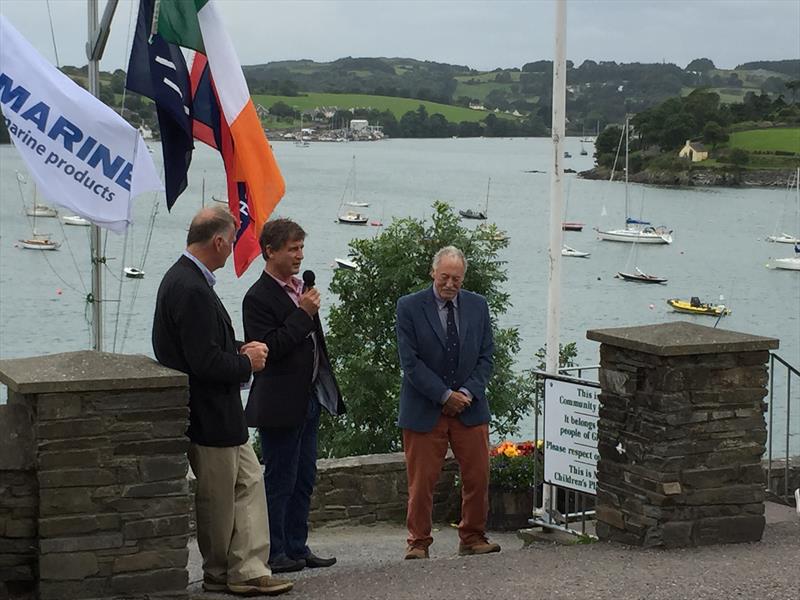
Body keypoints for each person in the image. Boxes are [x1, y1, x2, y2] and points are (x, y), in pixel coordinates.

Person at [152, 206, 292, 597]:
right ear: (217, 241)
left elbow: (204, 348)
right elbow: (203, 361)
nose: (232, 250)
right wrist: (247, 361)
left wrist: (239, 349)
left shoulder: (184, 280)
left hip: (217, 411)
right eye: (231, 243)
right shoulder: (192, 288)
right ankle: (225, 571)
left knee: (247, 482)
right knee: (221, 495)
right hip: (209, 411)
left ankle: (243, 567)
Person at [243, 218, 345, 573]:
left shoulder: (301, 289)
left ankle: (298, 546)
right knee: (281, 478)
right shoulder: (257, 298)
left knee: (304, 477)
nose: (299, 255)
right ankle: (275, 550)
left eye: (302, 248)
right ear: (270, 252)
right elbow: (269, 349)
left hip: (309, 398)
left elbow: (313, 345)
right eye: (293, 249)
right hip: (280, 401)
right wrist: (303, 315)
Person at [395, 245, 500, 560]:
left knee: (478, 476)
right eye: (444, 277)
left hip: (470, 407)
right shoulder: (409, 307)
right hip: (425, 408)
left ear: (463, 277)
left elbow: (486, 356)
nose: (450, 284)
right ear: (433, 273)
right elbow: (410, 363)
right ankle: (418, 542)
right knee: (422, 482)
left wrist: (466, 393)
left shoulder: (478, 307)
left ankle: (473, 536)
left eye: (456, 278)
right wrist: (444, 395)